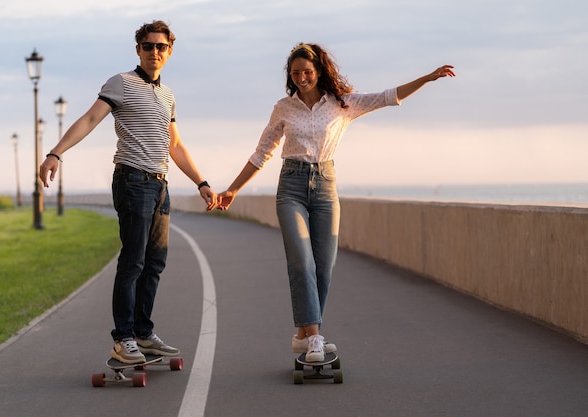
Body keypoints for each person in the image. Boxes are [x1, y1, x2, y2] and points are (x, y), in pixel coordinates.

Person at [217, 42, 455, 362]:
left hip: (326, 188)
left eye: (308, 72)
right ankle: (315, 338)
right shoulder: (283, 108)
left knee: (324, 268)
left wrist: (426, 78)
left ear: (319, 72)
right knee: (302, 260)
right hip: (291, 187)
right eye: (296, 73)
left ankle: (303, 335)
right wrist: (233, 190)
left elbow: (387, 96)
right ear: (290, 75)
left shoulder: (343, 105)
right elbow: (261, 153)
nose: (302, 78)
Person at [39, 20, 217, 364]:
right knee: (133, 260)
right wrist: (55, 153)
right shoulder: (121, 83)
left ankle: (143, 333)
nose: (154, 52)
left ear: (170, 51)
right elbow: (91, 119)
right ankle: (123, 339)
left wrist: (202, 183)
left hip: (160, 184)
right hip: (133, 181)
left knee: (155, 262)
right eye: (148, 46)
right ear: (138, 49)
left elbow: (175, 145)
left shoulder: (167, 95)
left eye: (161, 47)